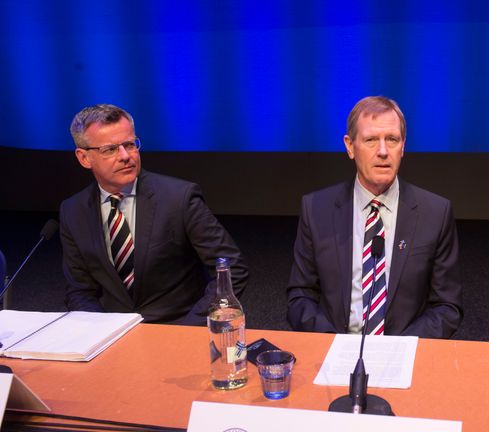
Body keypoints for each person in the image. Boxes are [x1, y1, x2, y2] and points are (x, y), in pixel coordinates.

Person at [287, 96, 462, 338]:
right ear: (350, 146)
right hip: (335, 349)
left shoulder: (435, 212)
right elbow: (300, 297)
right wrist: (334, 344)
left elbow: (447, 306)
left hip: (405, 353)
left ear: (403, 147)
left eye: (392, 139)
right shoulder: (317, 208)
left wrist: (399, 349)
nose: (382, 151)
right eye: (370, 140)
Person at [60, 104, 248, 325]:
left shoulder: (179, 198)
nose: (125, 156)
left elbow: (231, 269)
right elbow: (79, 291)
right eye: (110, 149)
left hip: (179, 328)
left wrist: (188, 329)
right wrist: (101, 331)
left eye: (130, 145)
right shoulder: (73, 210)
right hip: (113, 335)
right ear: (84, 158)